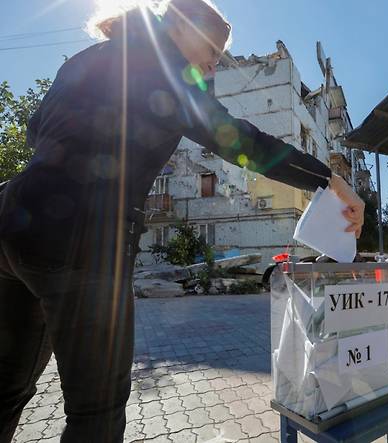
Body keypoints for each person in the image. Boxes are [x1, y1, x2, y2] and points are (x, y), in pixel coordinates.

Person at [0, 1, 364, 442]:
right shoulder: (164, 72)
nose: (212, 64)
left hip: (13, 222)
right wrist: (327, 178)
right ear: (179, 28)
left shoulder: (87, 59)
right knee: (95, 411)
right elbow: (240, 140)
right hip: (82, 240)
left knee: (7, 387)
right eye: (211, 50)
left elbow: (37, 130)